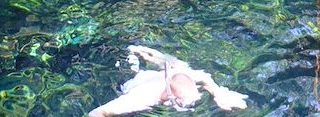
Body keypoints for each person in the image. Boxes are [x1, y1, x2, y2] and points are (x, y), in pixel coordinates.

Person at [88, 45, 248, 116]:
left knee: (179, 65)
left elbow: (206, 78)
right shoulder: (139, 100)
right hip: (130, 80)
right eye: (184, 104)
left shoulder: (188, 75)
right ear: (170, 99)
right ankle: (130, 53)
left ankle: (138, 50)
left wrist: (218, 94)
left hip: (164, 73)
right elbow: (95, 113)